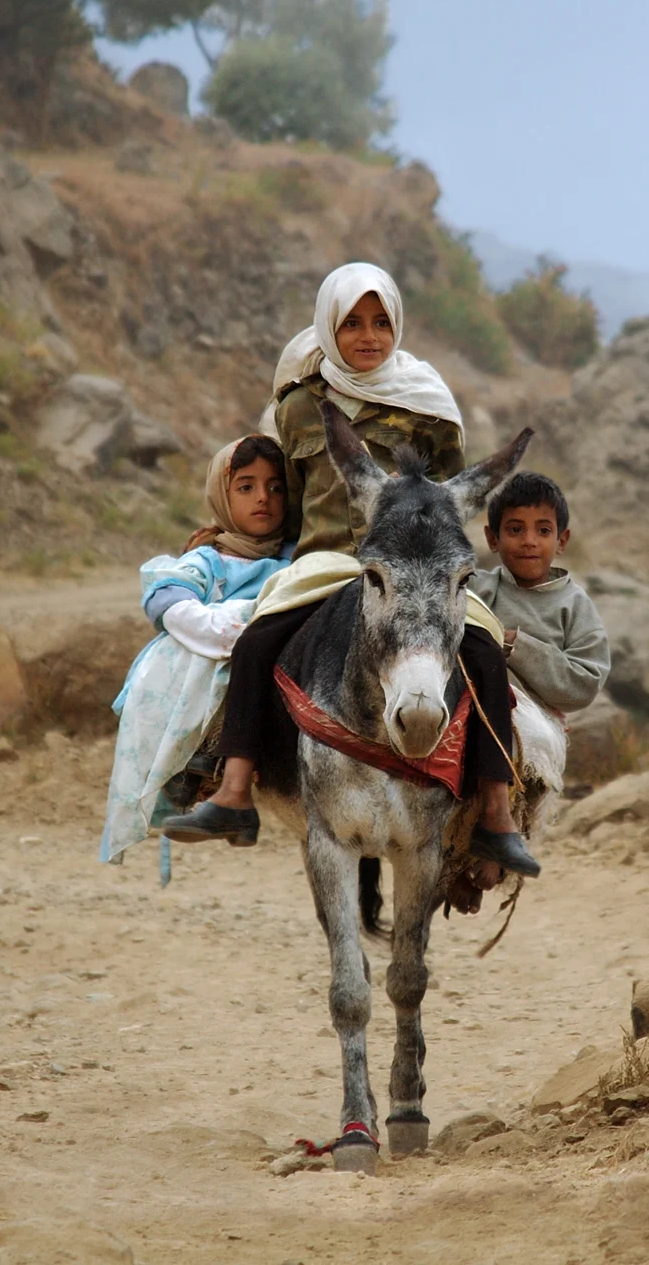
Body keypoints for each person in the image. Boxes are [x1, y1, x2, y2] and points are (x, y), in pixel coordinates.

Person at [162, 263, 539, 880]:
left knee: (486, 652)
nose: (369, 336)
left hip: (414, 566)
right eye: (352, 323)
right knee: (256, 642)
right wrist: (236, 544)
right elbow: (284, 494)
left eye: (381, 322)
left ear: (398, 326)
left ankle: (497, 815)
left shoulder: (433, 409)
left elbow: (450, 502)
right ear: (327, 328)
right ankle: (231, 790)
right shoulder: (296, 405)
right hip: (321, 562)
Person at [99, 435, 292, 869]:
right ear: (221, 497)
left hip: (273, 656)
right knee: (181, 657)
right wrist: (224, 627)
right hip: (221, 654)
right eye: (246, 487)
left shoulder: (298, 559)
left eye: (276, 486)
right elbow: (167, 599)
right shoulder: (210, 558)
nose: (264, 498)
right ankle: (197, 764)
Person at [471, 472, 610, 715]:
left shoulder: (574, 604)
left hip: (539, 728)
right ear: (493, 539)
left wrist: (516, 645)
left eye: (543, 531)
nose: (529, 541)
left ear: (561, 541)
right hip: (470, 713)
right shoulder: (474, 588)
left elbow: (586, 683)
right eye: (515, 529)